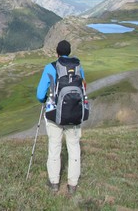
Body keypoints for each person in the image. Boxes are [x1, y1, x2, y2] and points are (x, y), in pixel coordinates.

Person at [36, 40, 85, 195]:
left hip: (54, 115)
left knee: (55, 147)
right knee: (74, 148)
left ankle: (54, 183)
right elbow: (83, 87)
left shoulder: (50, 67)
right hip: (75, 113)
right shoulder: (78, 67)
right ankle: (72, 185)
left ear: (57, 53)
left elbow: (39, 94)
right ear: (69, 52)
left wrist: (45, 100)